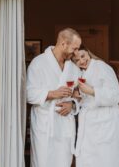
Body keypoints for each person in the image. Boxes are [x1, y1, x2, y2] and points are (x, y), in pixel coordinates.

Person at [26, 28, 82, 167]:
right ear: (63, 44)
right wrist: (52, 94)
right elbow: (28, 94)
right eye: (74, 49)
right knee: (43, 162)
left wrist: (72, 105)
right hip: (45, 124)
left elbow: (81, 95)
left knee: (64, 161)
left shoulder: (74, 69)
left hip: (65, 125)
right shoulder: (38, 63)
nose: (76, 53)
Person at [72, 44, 119, 167]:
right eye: (77, 60)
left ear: (88, 52)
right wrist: (79, 97)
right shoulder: (82, 73)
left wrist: (92, 91)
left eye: (83, 56)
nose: (82, 61)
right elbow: (88, 99)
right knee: (91, 159)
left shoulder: (102, 67)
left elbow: (116, 95)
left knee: (106, 159)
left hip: (105, 121)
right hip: (90, 122)